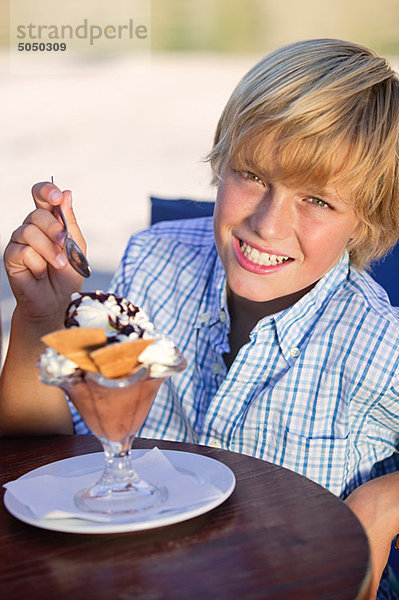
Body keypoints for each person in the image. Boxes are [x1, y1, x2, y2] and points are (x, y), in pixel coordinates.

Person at [1, 38, 399, 599]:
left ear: (366, 218)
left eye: (318, 200)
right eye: (254, 175)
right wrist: (39, 316)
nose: (267, 223)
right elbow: (41, 453)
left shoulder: (379, 344)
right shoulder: (154, 263)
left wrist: (383, 502)